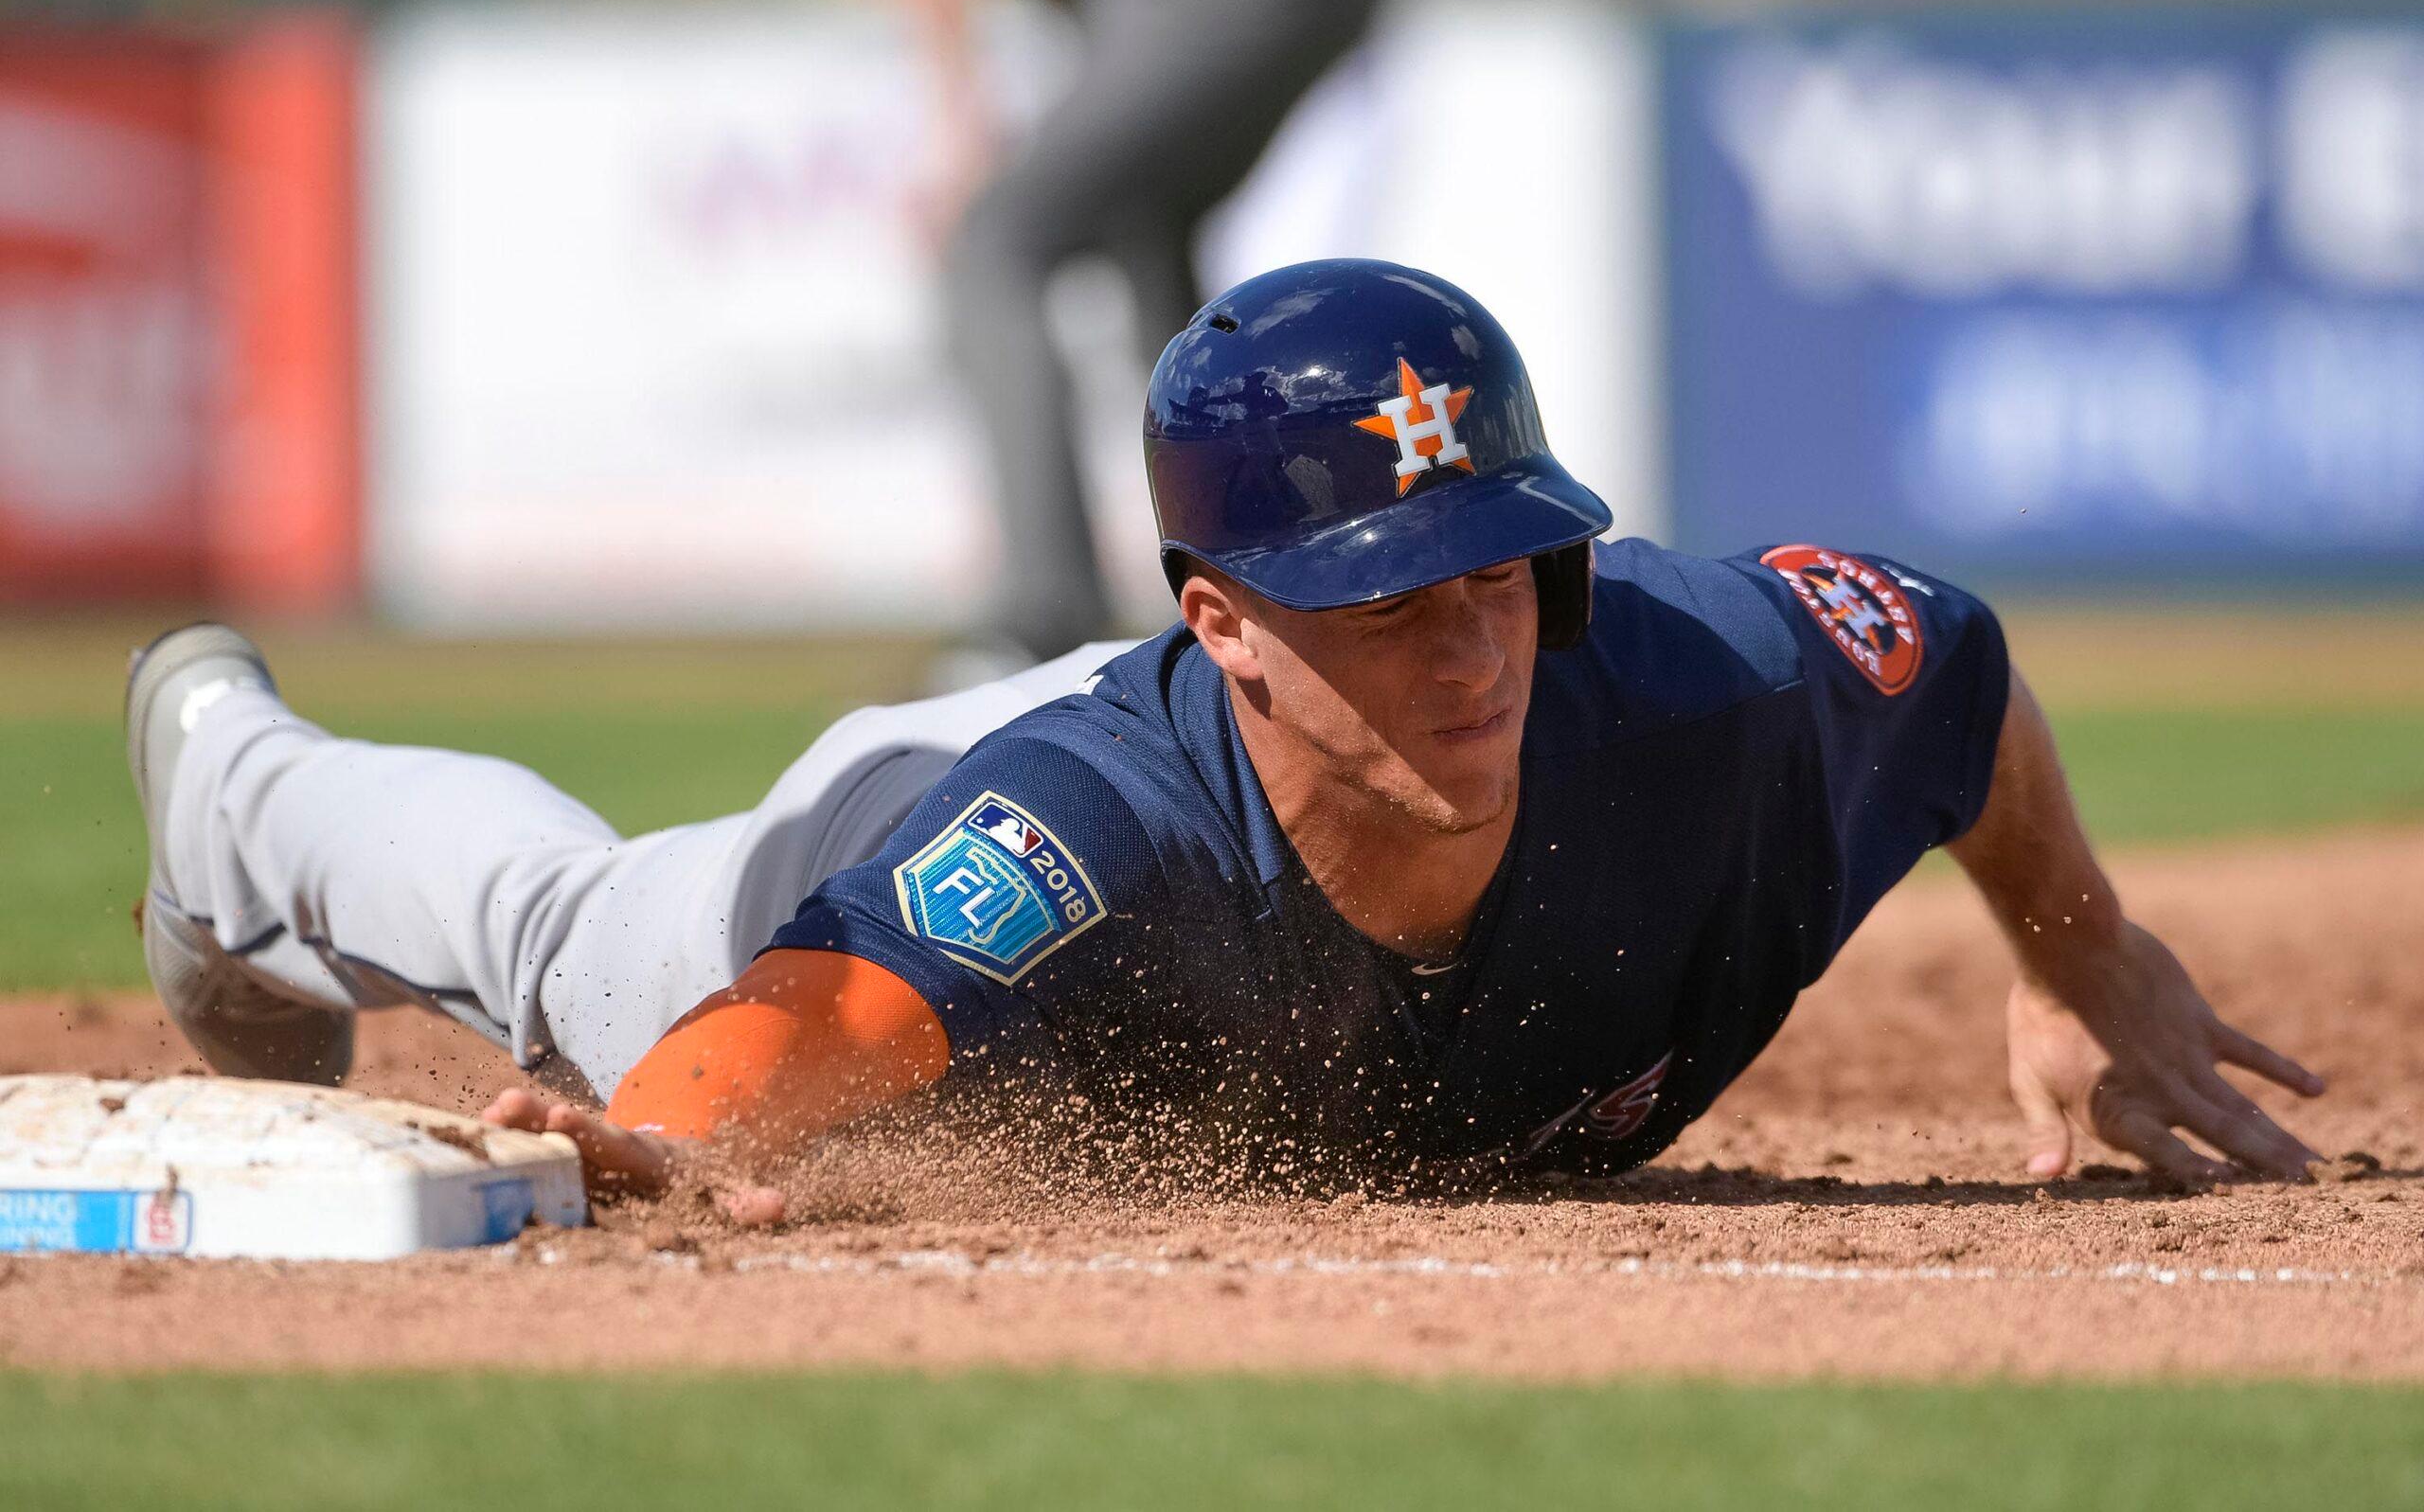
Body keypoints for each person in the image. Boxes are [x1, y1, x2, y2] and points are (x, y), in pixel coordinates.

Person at [125, 259, 2326, 1208]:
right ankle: (229, 775)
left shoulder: (1699, 683)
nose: (1468, 650)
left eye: (1498, 572)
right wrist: (668, 1144)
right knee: (570, 938)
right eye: (1387, 600)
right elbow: (817, 1020)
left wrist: (2073, 949)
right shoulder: (1082, 828)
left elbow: (1945, 660)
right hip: (883, 845)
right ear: (1225, 617)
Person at [792, 0, 1390, 660]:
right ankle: (1276, 570)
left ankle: (1039, 621)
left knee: (992, 242)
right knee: (1146, 228)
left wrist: (959, 120)